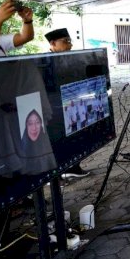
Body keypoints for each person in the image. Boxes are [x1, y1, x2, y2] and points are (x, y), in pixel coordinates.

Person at [45, 28, 91, 178]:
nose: (70, 45)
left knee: (75, 136)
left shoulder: (66, 58)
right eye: (65, 42)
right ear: (52, 43)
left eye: (70, 41)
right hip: (56, 109)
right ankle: (59, 172)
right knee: (60, 141)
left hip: (71, 105)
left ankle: (73, 166)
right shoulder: (45, 62)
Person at [19, 109, 57, 176]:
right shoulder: (21, 156)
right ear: (26, 126)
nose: (34, 128)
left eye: (37, 122)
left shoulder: (46, 154)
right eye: (30, 123)